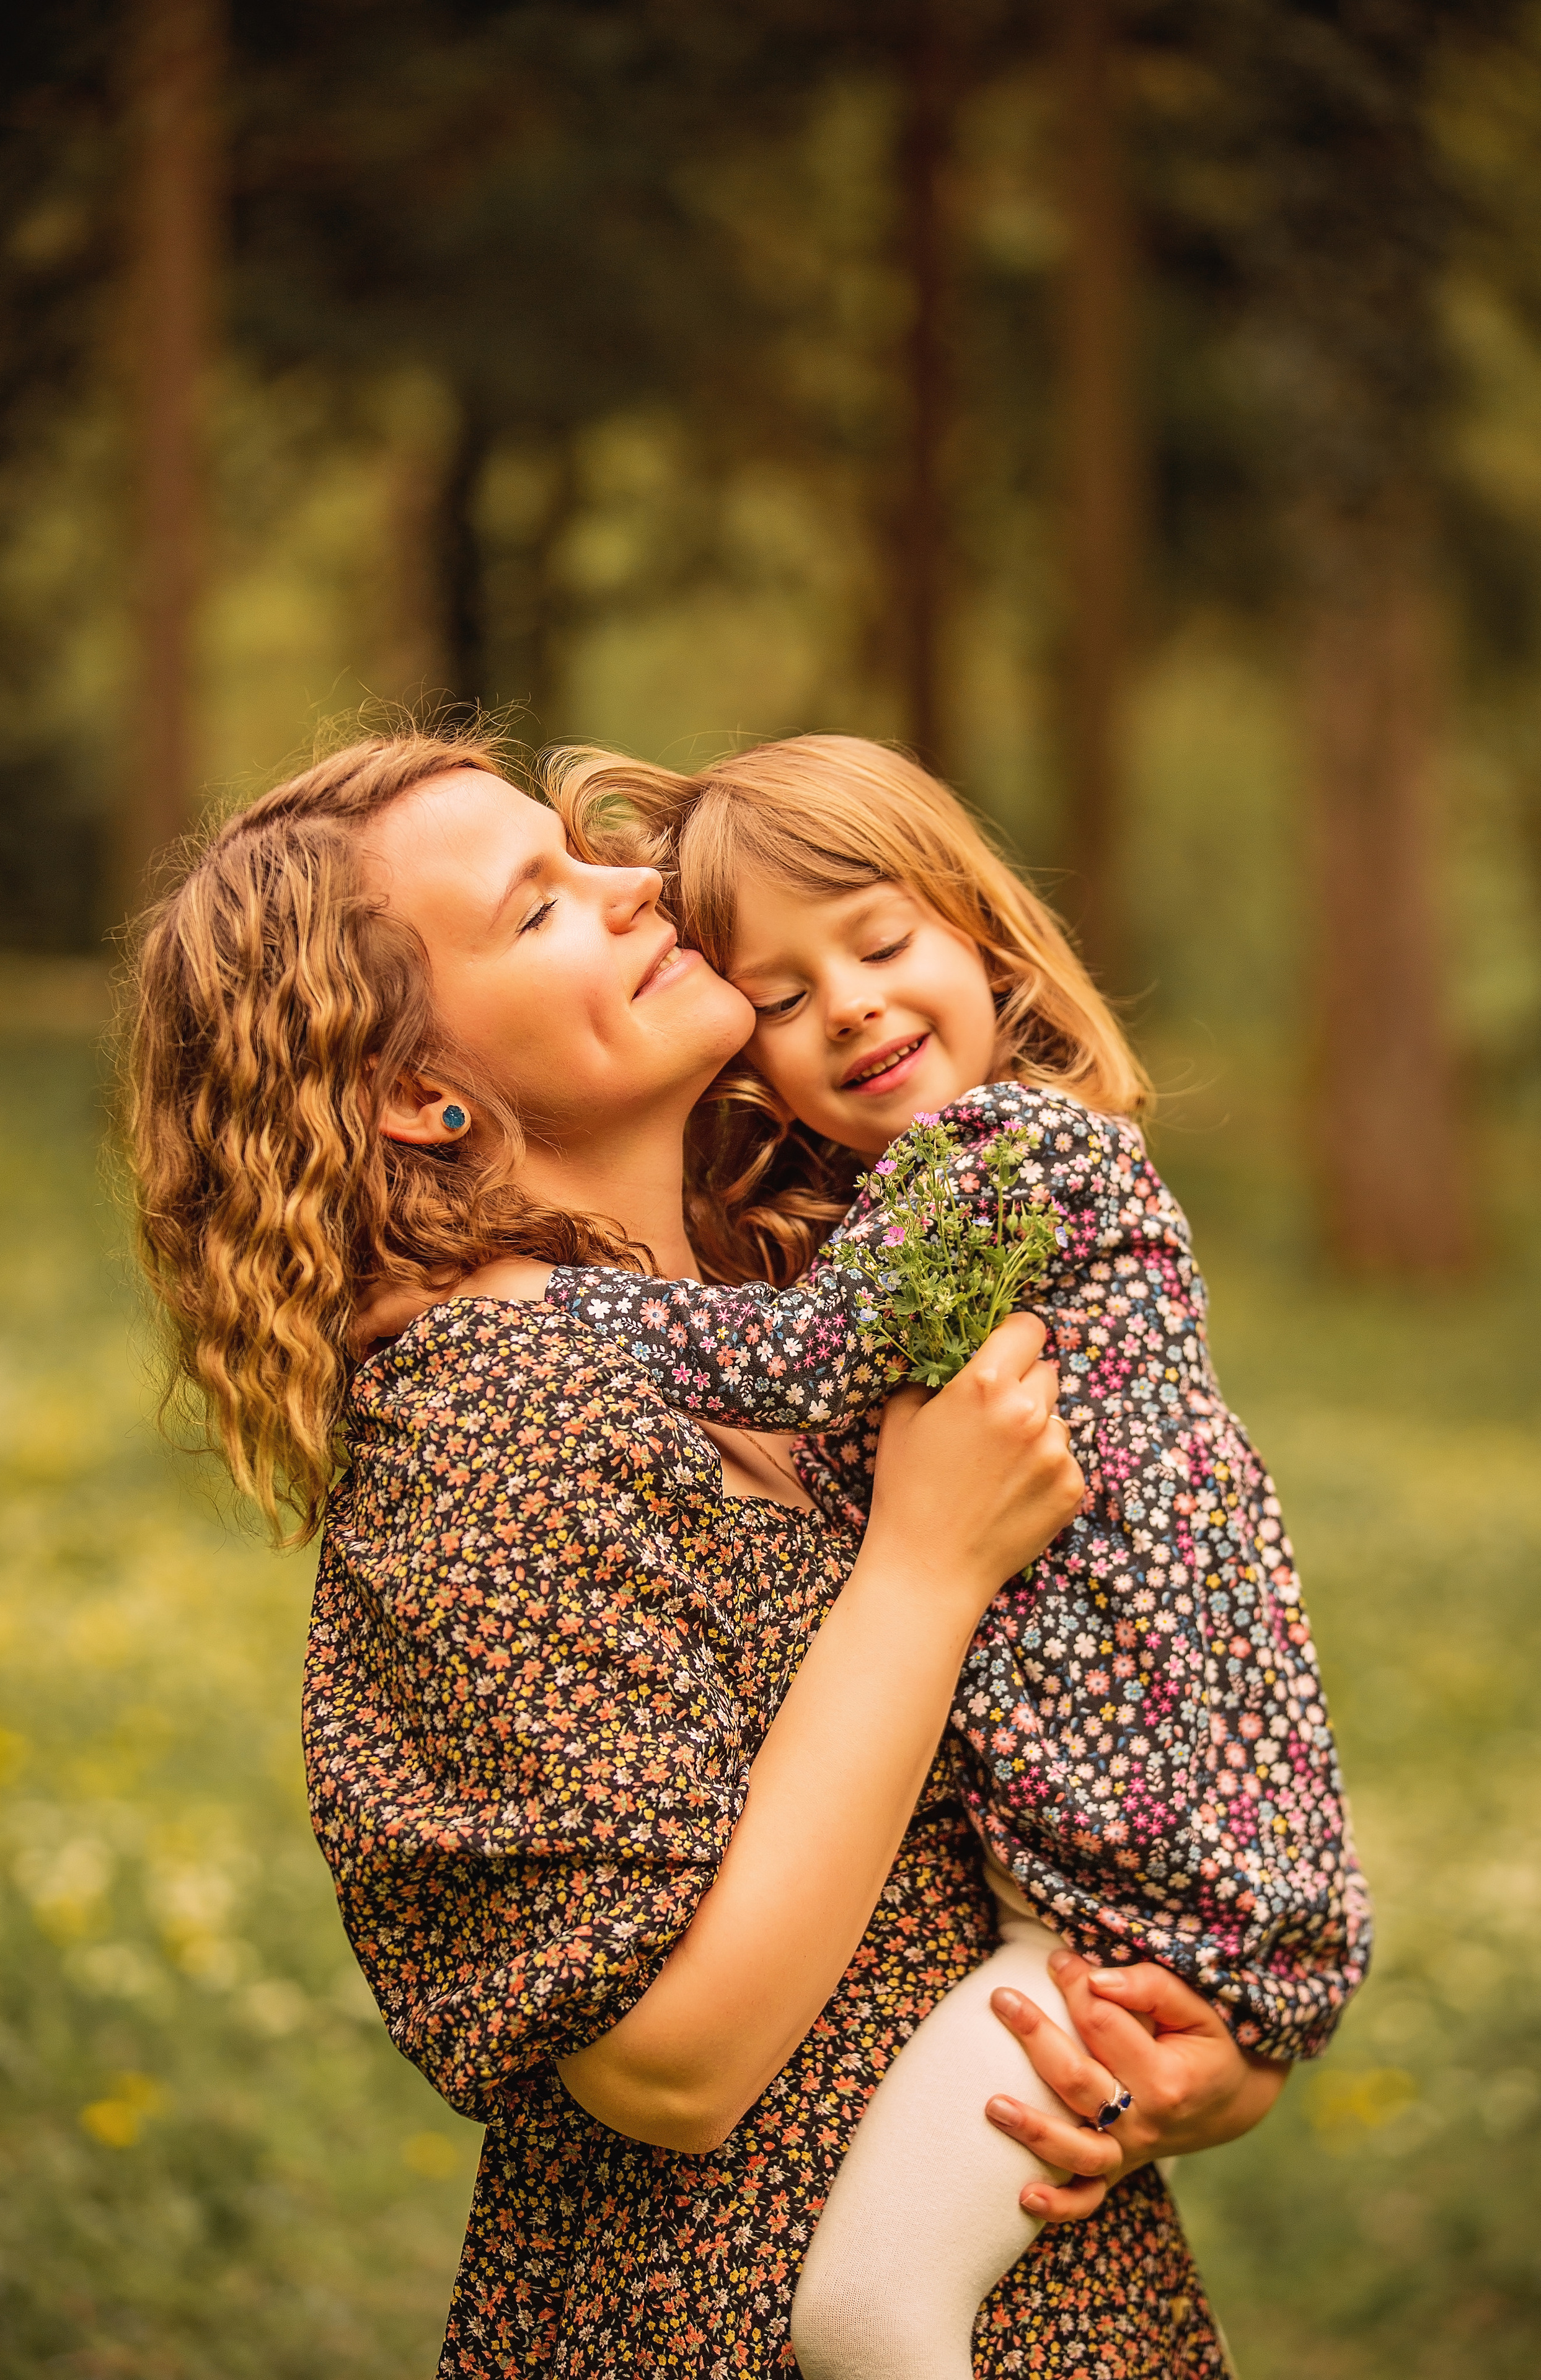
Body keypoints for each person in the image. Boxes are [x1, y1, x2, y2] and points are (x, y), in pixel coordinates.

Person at [127, 729, 1287, 2379]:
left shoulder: (788, 1305)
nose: (635, 887)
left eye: (588, 854)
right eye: (541, 905)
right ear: (415, 1093)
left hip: (1034, 2263)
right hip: (736, 2311)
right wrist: (927, 1565)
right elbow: (664, 2066)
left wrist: (1190, 2053)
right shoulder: (490, 1423)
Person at [481, 732, 1372, 2380]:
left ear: (984, 935)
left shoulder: (1016, 1153)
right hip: (1131, 1889)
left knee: (869, 2318)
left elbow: (805, 1364)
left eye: (882, 943)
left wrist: (531, 1306)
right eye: (782, 994)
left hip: (1126, 1914)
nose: (852, 1008)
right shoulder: (899, 1199)